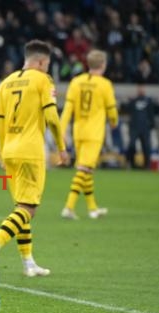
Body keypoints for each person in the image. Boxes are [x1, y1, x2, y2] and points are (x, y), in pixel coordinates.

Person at [0, 40, 69, 277]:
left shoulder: (6, 83)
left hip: (10, 151)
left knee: (21, 207)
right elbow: (52, 117)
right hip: (31, 151)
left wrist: (2, 151)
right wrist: (61, 147)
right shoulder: (42, 80)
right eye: (46, 64)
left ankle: (28, 263)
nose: (47, 69)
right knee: (29, 208)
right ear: (40, 62)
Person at [60, 49, 118, 220]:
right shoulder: (105, 84)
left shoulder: (76, 82)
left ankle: (92, 209)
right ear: (103, 65)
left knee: (86, 171)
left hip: (78, 131)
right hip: (94, 133)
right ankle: (68, 207)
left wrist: (61, 131)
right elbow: (112, 110)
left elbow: (67, 110)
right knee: (83, 169)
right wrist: (114, 122)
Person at [124, 84, 156, 169]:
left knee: (146, 146)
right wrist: (128, 101)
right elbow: (126, 109)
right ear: (137, 90)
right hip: (134, 127)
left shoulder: (148, 101)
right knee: (132, 145)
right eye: (139, 89)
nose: (141, 90)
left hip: (145, 127)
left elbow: (151, 114)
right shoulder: (133, 101)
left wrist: (152, 125)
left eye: (142, 89)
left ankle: (147, 165)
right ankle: (131, 163)